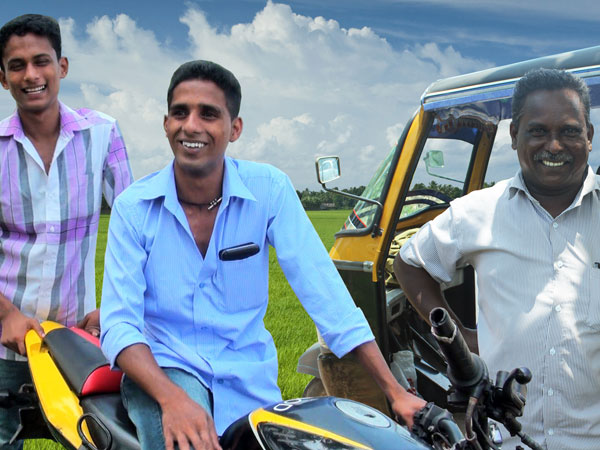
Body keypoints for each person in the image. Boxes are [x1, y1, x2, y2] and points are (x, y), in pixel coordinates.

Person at [100, 60, 426, 450]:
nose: (191, 126)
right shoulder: (134, 208)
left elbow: (326, 295)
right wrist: (172, 400)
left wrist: (395, 392)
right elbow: (119, 324)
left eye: (208, 114)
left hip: (248, 379)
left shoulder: (268, 189)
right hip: (165, 372)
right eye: (180, 113)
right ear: (166, 123)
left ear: (234, 128)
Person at [394, 68, 599, 450]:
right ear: (514, 136)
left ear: (589, 135)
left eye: (570, 131)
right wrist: (458, 337)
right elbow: (410, 263)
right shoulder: (476, 212)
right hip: (502, 439)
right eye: (538, 131)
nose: (554, 145)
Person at [0, 14, 132, 449]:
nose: (31, 75)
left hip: (79, 342)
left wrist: (114, 310)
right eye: (17, 65)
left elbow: (136, 232)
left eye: (41, 61)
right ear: (2, 77)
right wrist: (6, 315)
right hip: (5, 346)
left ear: (62, 66)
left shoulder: (102, 134)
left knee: (101, 441)